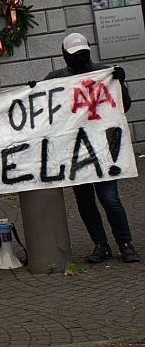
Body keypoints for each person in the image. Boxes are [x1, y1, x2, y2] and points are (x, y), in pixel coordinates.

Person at [41, 32, 139, 263]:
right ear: (65, 56)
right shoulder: (55, 78)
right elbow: (41, 104)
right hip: (75, 151)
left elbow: (124, 105)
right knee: (85, 201)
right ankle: (100, 244)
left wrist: (120, 82)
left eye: (83, 54)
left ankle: (125, 242)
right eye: (75, 55)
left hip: (104, 148)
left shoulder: (104, 73)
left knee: (109, 198)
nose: (80, 58)